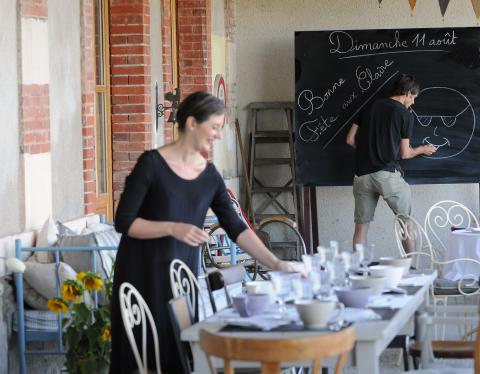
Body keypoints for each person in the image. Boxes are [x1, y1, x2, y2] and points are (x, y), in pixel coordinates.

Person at [109, 91, 295, 373]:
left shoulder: (209, 176)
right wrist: (173, 228)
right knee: (141, 361)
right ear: (193, 123)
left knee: (180, 357)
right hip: (140, 278)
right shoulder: (151, 165)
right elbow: (123, 222)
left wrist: (276, 263)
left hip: (181, 280)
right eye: (215, 127)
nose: (219, 135)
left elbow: (237, 228)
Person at [345, 74, 437, 252]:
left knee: (361, 228)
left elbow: (349, 139)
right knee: (407, 224)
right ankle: (412, 271)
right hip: (386, 174)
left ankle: (359, 271)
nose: (413, 103)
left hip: (361, 175)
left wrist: (367, 150)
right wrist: (422, 149)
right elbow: (405, 153)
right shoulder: (404, 114)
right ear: (408, 93)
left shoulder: (369, 106)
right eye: (414, 98)